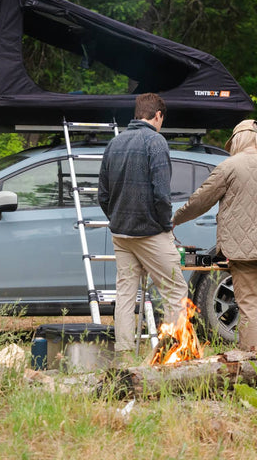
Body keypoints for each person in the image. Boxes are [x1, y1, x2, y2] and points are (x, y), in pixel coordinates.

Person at [172, 119, 257, 350]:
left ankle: (251, 361)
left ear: (237, 140)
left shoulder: (228, 167)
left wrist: (175, 219)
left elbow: (201, 201)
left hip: (242, 251)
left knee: (249, 306)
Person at [98, 93, 188, 358]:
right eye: (162, 119)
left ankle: (125, 355)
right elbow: (162, 193)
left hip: (121, 233)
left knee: (125, 294)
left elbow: (102, 194)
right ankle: (176, 352)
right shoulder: (156, 142)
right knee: (175, 290)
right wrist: (165, 224)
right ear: (157, 115)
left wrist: (115, 217)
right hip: (150, 232)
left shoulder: (114, 143)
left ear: (137, 113)